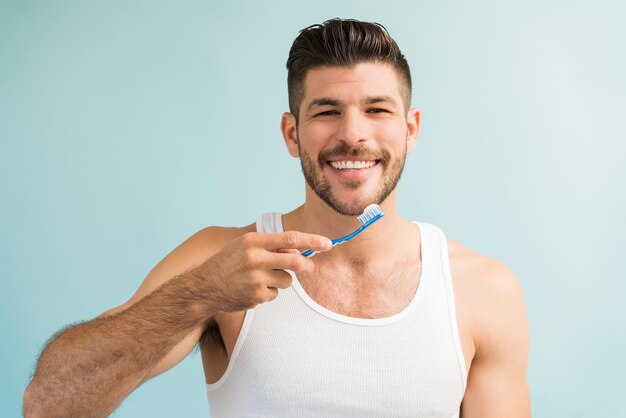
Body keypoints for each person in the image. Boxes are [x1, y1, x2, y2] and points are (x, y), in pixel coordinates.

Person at [23, 18, 530, 418]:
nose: (353, 135)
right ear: (291, 134)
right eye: (327, 111)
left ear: (410, 130)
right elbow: (49, 405)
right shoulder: (218, 260)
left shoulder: (482, 290)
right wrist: (201, 291)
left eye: (377, 109)